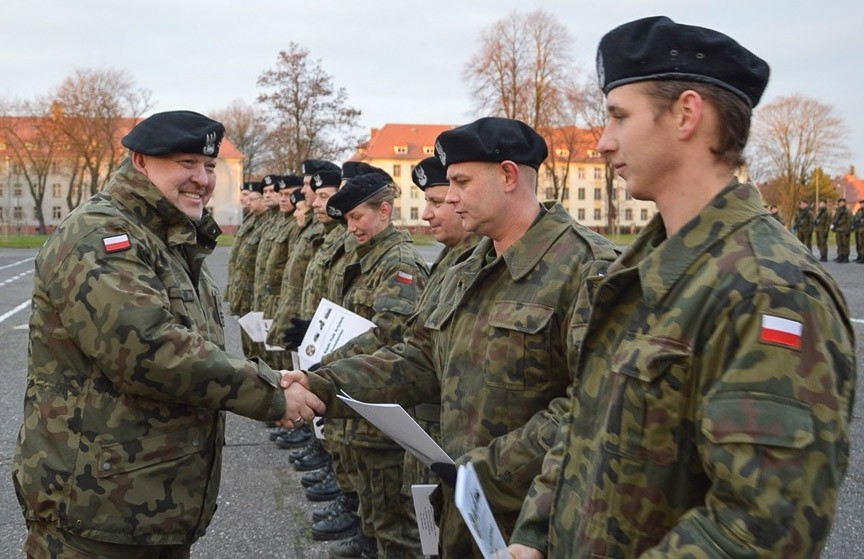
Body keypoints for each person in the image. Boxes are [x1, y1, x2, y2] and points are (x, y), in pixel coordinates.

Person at [506, 16, 855, 558]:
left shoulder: (769, 290)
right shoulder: (639, 270)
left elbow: (758, 530)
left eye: (620, 117)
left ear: (687, 114)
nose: (603, 141)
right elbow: (585, 424)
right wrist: (535, 534)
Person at [281, 116, 618, 557]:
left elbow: (591, 408)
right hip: (462, 504)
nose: (450, 196)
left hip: (533, 521)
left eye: (460, 181)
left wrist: (488, 470)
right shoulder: (465, 269)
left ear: (509, 176)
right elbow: (420, 358)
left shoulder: (588, 269)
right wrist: (322, 383)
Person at [12, 110, 317, 558]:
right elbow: (148, 350)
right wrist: (271, 391)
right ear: (140, 161)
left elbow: (195, 346)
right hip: (98, 509)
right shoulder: (101, 234)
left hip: (146, 503)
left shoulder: (167, 238)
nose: (203, 179)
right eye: (186, 163)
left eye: (210, 166)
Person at [832, 197, 852, 262]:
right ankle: (840, 256)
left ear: (844, 203)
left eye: (842, 202)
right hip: (838, 229)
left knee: (845, 244)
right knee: (839, 244)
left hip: (844, 229)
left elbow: (849, 221)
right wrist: (833, 226)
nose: (840, 204)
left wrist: (848, 230)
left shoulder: (847, 211)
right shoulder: (838, 211)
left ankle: (846, 257)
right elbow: (834, 219)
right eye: (839, 202)